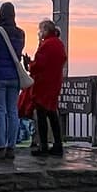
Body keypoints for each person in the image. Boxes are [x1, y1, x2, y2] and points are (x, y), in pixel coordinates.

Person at [0, 2, 24, 160]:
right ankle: (11, 147)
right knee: (13, 112)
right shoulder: (21, 33)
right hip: (14, 77)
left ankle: (1, 147)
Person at [28, 19, 66, 157]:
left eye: (41, 30)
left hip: (43, 84)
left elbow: (38, 65)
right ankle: (58, 145)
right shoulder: (59, 44)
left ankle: (43, 146)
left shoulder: (46, 45)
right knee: (52, 113)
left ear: (45, 30)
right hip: (54, 82)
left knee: (42, 114)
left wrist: (29, 64)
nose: (40, 33)